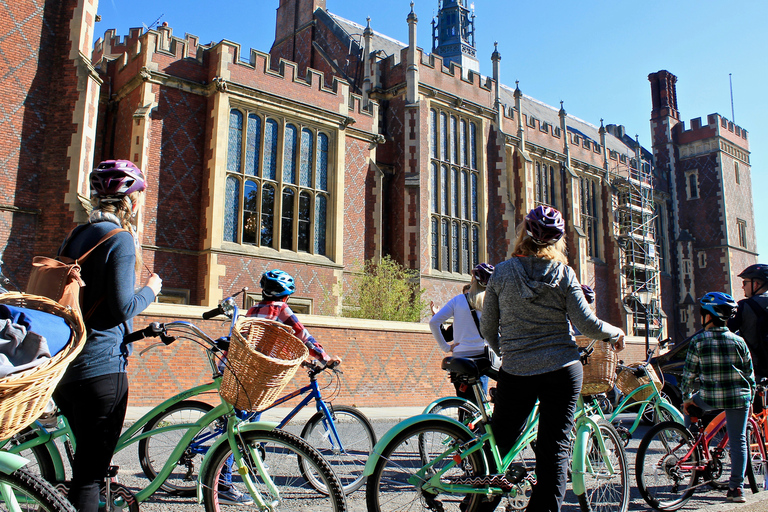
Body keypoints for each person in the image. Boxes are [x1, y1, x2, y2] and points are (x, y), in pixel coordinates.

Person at [480, 205, 624, 512]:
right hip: (561, 369)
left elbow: (488, 327)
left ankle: (477, 506)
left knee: (498, 446)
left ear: (522, 234)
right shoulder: (563, 274)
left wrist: (508, 352)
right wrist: (614, 333)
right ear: (557, 241)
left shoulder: (502, 272)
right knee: (554, 450)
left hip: (517, 370)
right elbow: (586, 324)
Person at [52, 160, 162, 512]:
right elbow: (121, 308)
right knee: (89, 479)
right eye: (138, 196)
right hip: (101, 369)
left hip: (66, 366)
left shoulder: (75, 235)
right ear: (130, 201)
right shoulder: (120, 239)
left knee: (84, 467)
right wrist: (151, 290)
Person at [681, 292, 755, 503]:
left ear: (709, 316)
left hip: (710, 397)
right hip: (738, 397)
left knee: (691, 407)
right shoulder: (739, 341)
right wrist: (749, 400)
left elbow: (689, 375)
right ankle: (736, 489)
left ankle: (694, 443)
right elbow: (749, 375)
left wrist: (687, 399)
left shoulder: (699, 340)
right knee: (739, 440)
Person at [429, 263, 495, 407]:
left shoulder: (458, 300)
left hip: (459, 360)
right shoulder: (493, 302)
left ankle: (459, 428)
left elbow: (434, 322)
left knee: (464, 404)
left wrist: (446, 348)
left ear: (473, 280)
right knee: (479, 406)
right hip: (481, 359)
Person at [246, 269, 341, 366]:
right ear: (285, 297)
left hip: (249, 364)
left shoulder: (252, 309)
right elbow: (304, 338)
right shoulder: (280, 308)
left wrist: (297, 359)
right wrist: (326, 359)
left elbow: (268, 340)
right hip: (268, 368)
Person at [728, 263, 768, 382]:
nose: (742, 287)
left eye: (745, 282)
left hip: (755, 371)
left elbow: (726, 333)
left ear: (756, 284)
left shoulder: (743, 306)